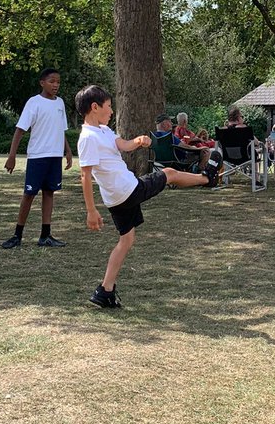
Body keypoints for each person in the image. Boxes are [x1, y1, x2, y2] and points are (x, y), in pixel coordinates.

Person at [76, 85, 220, 309]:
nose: (112, 111)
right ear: (95, 107)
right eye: (108, 107)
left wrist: (138, 141)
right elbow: (85, 176)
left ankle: (105, 292)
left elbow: (122, 145)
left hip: (118, 197)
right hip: (127, 190)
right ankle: (207, 178)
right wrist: (91, 211)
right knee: (169, 174)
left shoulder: (104, 131)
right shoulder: (88, 138)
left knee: (126, 240)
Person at [2, 68, 74, 249]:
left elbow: (61, 129)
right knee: (29, 194)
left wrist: (67, 151)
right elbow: (20, 130)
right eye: (52, 81)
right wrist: (12, 156)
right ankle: (17, 235)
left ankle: (45, 235)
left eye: (58, 81)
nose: (56, 85)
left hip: (54, 156)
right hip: (38, 156)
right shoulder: (34, 103)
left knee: (49, 192)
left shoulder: (60, 103)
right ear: (42, 83)